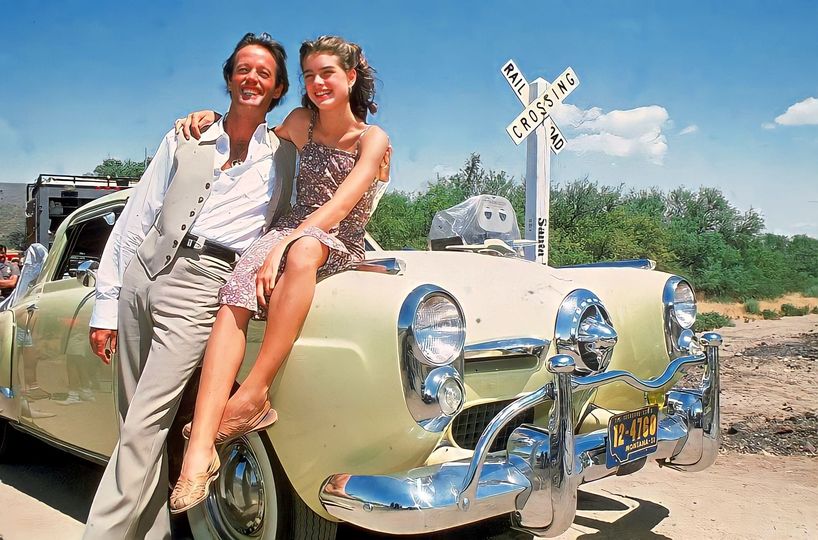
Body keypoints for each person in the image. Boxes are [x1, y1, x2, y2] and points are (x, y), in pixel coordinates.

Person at [83, 33, 299, 540]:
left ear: (277, 89)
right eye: (243, 69)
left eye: (263, 74)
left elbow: (344, 135)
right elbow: (140, 214)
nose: (252, 78)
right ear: (229, 78)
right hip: (145, 272)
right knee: (134, 427)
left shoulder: (285, 153)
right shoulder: (186, 135)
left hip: (206, 283)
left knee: (145, 426)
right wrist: (107, 301)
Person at [168, 35, 390, 513]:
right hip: (286, 234)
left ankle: (254, 392)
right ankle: (198, 451)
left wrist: (289, 243)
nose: (316, 83)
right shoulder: (300, 123)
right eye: (309, 75)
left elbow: (343, 202)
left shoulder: (373, 139)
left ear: (350, 77)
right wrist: (210, 119)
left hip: (333, 239)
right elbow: (250, 133)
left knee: (306, 249)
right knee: (234, 295)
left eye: (327, 72)